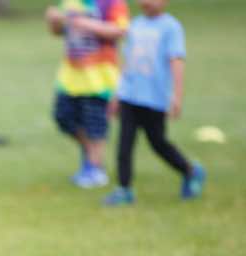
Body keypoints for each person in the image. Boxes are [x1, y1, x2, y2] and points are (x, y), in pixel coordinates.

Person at [103, 0, 205, 205]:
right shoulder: (135, 25)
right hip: (130, 96)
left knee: (158, 143)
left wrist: (177, 95)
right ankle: (124, 189)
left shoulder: (171, 27)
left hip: (154, 99)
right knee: (124, 144)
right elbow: (128, 62)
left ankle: (190, 171)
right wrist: (116, 95)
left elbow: (176, 61)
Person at [46, 0, 129, 188]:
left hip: (99, 77)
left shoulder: (112, 2)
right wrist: (54, 21)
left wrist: (81, 22)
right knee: (63, 118)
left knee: (95, 126)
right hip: (70, 76)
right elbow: (58, 31)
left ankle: (94, 169)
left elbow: (120, 30)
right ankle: (92, 157)